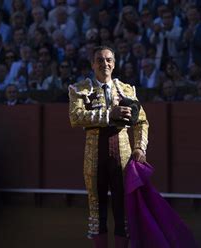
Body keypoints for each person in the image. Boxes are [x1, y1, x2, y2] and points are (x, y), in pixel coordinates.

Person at [68, 46, 149, 248]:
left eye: (109, 60)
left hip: (122, 156)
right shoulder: (80, 89)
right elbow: (75, 118)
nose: (105, 64)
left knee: (123, 210)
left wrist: (139, 148)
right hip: (94, 157)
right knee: (97, 209)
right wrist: (109, 115)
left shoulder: (127, 90)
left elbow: (141, 122)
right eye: (100, 60)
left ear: (114, 63)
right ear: (93, 64)